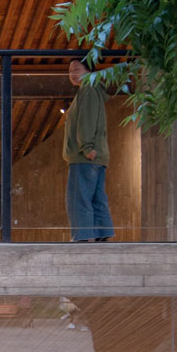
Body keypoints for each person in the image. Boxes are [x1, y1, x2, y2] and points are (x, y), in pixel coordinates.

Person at [62, 57, 115, 242]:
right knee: (96, 197)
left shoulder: (88, 91)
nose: (72, 74)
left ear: (89, 70)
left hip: (85, 156)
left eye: (76, 69)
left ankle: (82, 236)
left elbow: (87, 120)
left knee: (79, 197)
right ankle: (102, 233)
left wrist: (86, 147)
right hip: (97, 155)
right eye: (70, 71)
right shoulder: (94, 91)